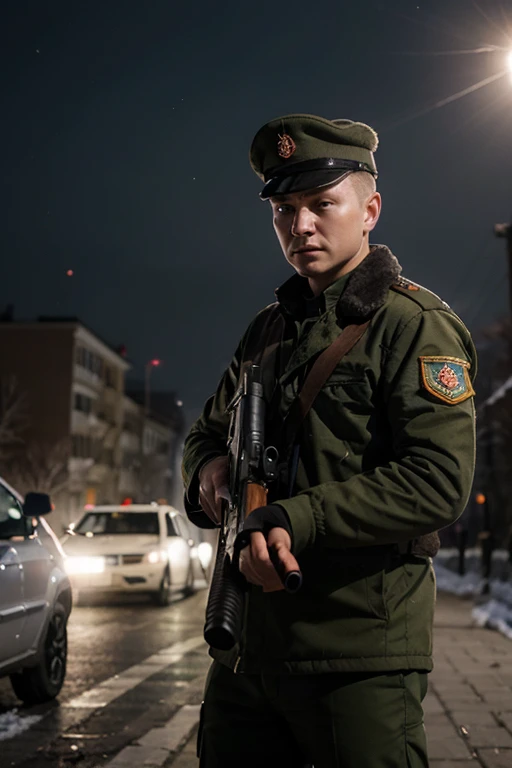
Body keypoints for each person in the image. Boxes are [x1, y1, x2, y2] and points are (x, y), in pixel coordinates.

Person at [182, 113, 477, 768]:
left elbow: (437, 481)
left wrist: (298, 518)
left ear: (369, 209)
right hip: (245, 650)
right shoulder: (268, 329)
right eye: (285, 209)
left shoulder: (413, 326)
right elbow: (206, 427)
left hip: (357, 655)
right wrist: (206, 469)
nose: (301, 225)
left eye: (321, 204)